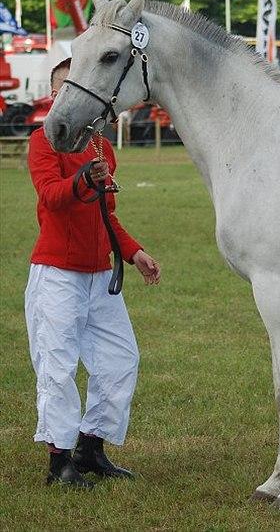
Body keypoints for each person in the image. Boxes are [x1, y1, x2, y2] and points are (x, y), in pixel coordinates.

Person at [25, 57, 161, 489]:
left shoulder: (102, 146)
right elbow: (51, 195)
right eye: (65, 88)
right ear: (54, 95)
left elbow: (107, 214)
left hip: (100, 276)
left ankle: (90, 447)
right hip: (58, 274)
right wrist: (84, 177)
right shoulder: (43, 141)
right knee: (57, 365)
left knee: (121, 360)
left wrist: (134, 251)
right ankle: (58, 460)